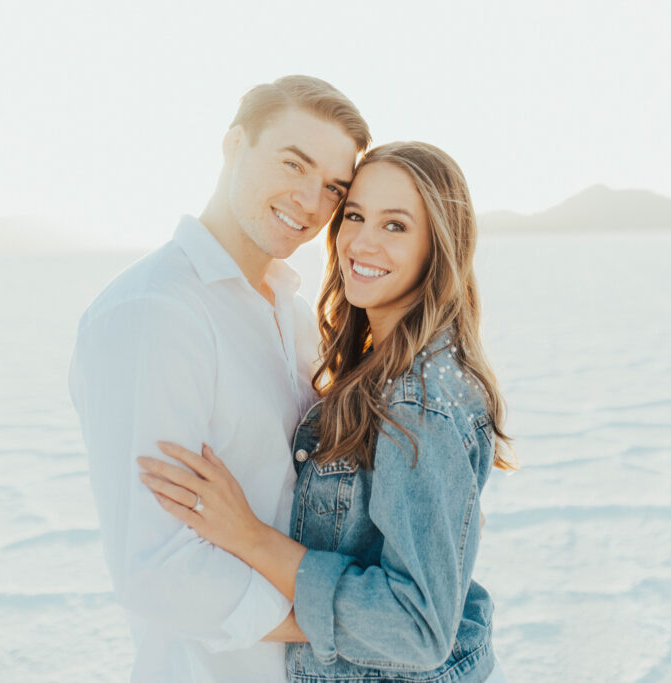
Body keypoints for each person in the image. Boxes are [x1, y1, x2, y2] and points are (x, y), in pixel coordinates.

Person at [138, 142, 513, 682]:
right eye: (355, 216)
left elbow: (418, 630)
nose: (361, 241)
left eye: (396, 226)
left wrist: (247, 535)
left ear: (439, 247)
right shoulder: (381, 368)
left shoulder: (419, 402)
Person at [68, 75, 370, 682]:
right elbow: (158, 569)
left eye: (333, 189)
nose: (310, 203)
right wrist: (357, 623)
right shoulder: (157, 313)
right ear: (234, 145)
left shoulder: (288, 306)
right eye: (293, 163)